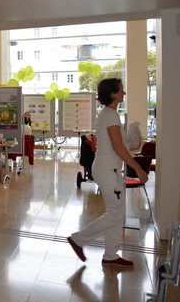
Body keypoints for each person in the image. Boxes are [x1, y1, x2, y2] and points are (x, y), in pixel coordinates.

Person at [68, 78, 148, 268]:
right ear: (112, 94)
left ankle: (111, 255)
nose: (124, 93)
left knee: (117, 212)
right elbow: (118, 147)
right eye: (121, 90)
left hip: (109, 169)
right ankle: (78, 239)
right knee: (116, 213)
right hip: (107, 170)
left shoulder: (108, 114)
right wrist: (138, 169)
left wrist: (131, 145)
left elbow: (118, 145)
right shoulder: (111, 115)